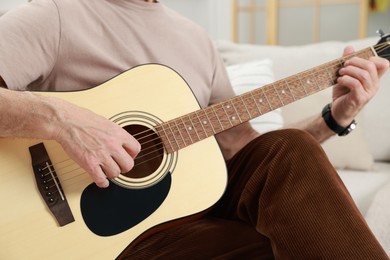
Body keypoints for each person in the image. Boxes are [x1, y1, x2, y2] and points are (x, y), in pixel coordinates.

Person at [0, 0, 389, 258]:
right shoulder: (54, 15)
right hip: (105, 236)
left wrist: (335, 118)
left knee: (289, 151)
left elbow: (245, 149)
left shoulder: (195, 40)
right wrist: (61, 118)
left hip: (192, 217)